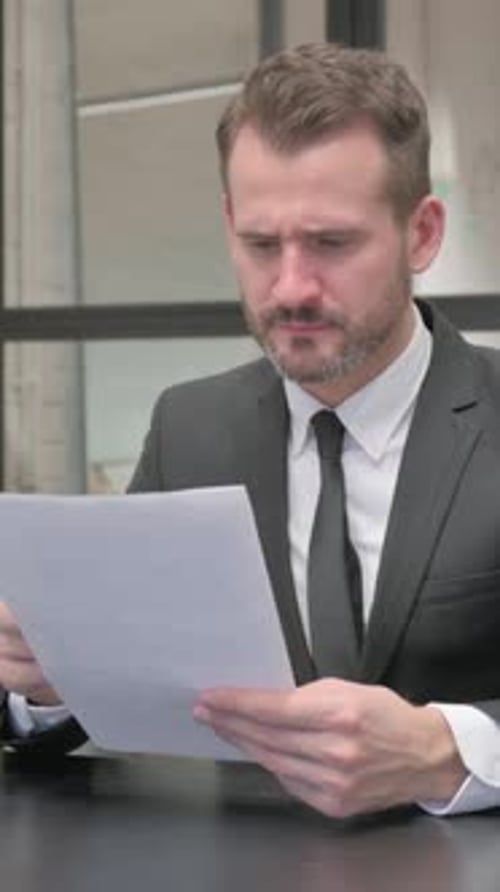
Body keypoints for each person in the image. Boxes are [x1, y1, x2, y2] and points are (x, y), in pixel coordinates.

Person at [1, 41, 500, 819]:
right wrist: (51, 679)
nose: (292, 285)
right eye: (261, 245)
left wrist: (447, 752)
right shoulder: (188, 426)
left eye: (333, 244)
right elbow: (122, 698)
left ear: (423, 233)